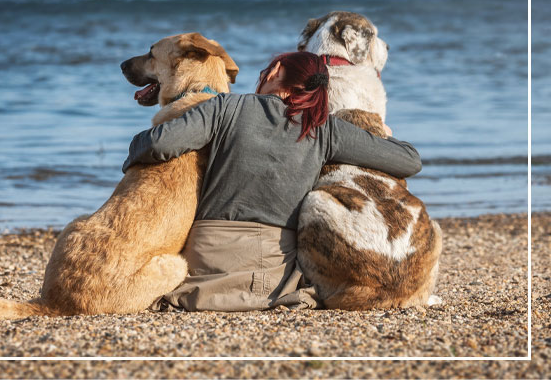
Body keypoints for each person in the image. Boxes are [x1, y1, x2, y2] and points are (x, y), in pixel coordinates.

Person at [122, 51, 422, 311]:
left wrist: (131, 156)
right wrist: (380, 132)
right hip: (272, 276)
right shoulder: (325, 130)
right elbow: (409, 160)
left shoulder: (226, 107)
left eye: (266, 72)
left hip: (206, 261)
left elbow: (158, 145)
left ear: (276, 72)